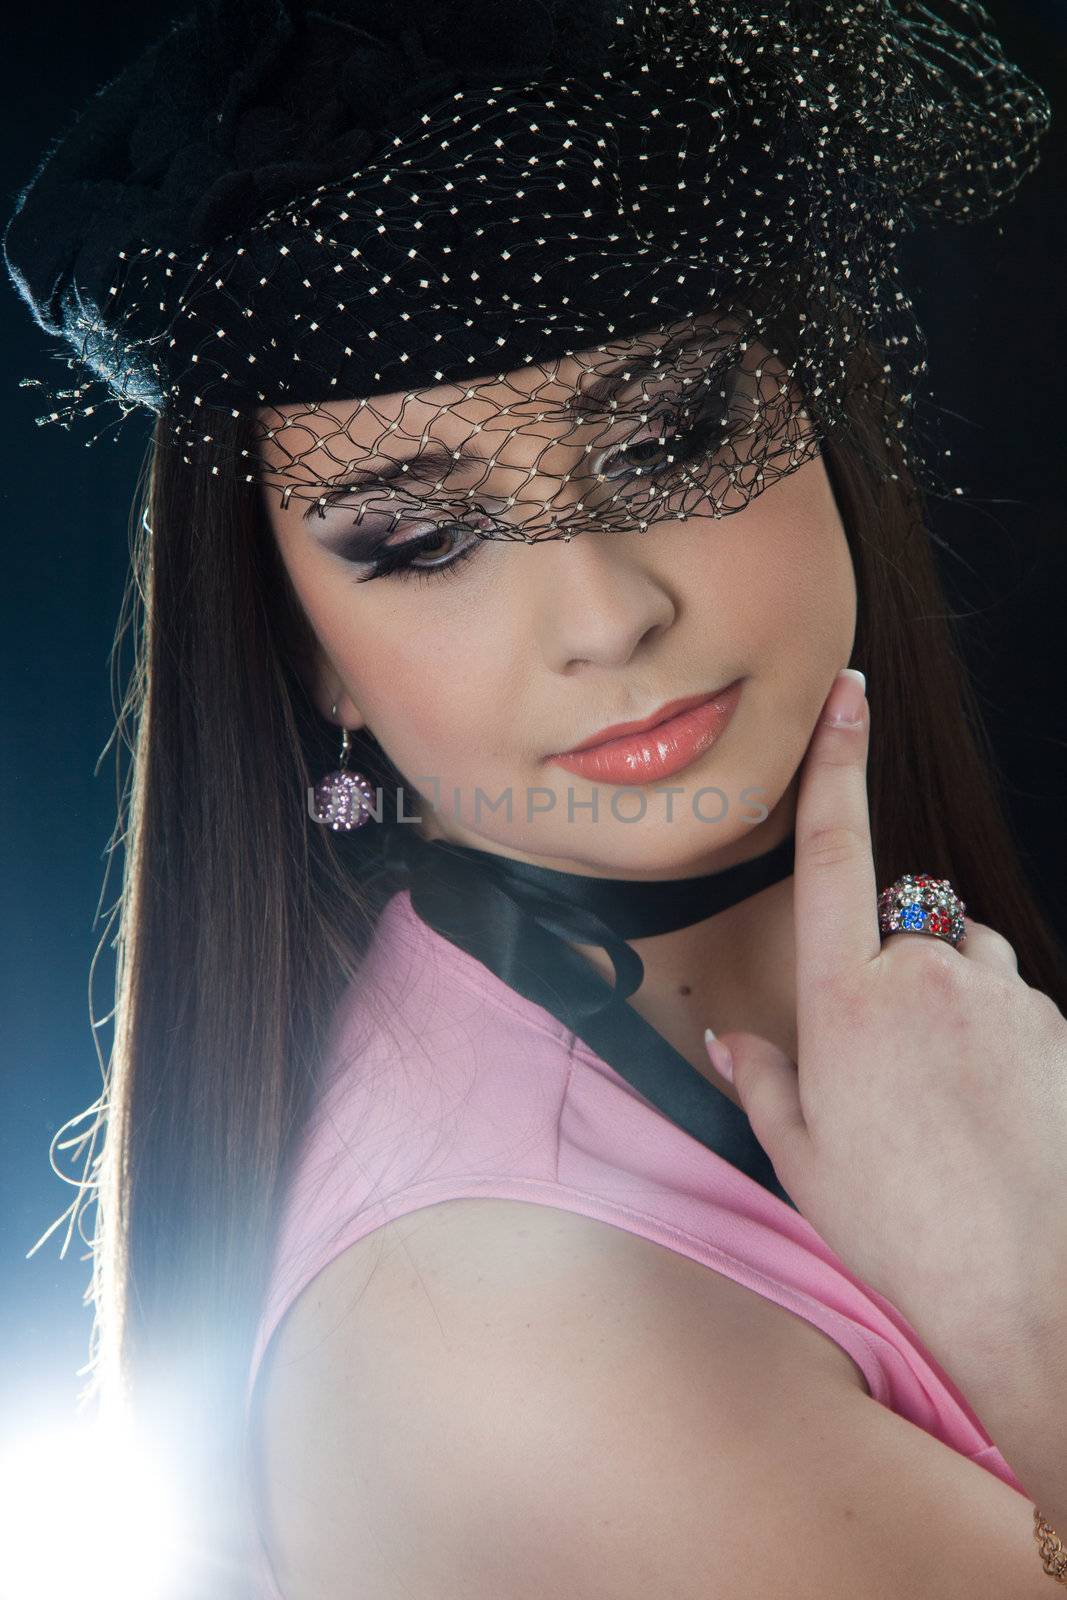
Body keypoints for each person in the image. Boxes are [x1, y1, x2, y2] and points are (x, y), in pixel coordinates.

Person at [6, 2, 1067, 1596]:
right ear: (309, 654)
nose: (603, 616)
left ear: (821, 412)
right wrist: (1034, 1321)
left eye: (671, 436)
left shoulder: (900, 970)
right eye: (423, 539)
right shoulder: (503, 1334)